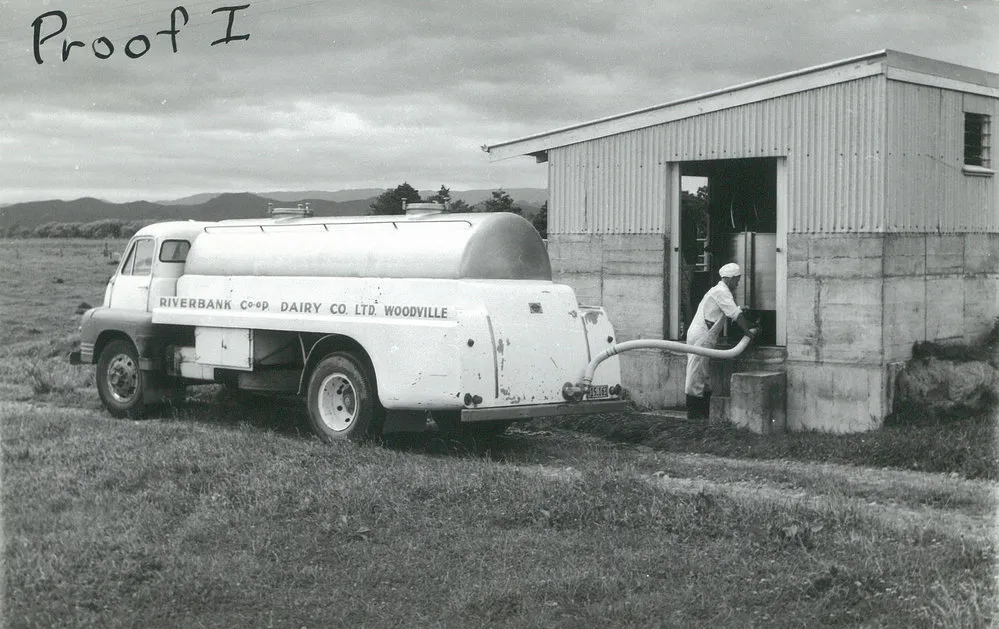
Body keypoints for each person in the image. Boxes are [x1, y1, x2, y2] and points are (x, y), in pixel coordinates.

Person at [684, 262, 758, 420]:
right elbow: (735, 315)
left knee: (702, 373)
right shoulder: (721, 291)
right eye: (737, 280)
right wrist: (749, 332)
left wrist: (739, 310)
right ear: (730, 279)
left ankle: (702, 415)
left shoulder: (719, 291)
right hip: (702, 335)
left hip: (704, 335)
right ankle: (694, 415)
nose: (737, 284)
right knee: (696, 373)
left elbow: (731, 310)